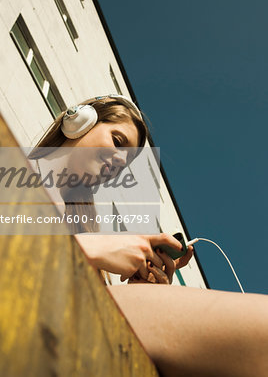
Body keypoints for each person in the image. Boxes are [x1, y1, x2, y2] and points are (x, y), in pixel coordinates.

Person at [30, 94, 268, 377]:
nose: (119, 161)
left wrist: (141, 289)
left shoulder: (81, 222)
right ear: (79, 121)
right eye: (118, 142)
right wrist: (91, 248)